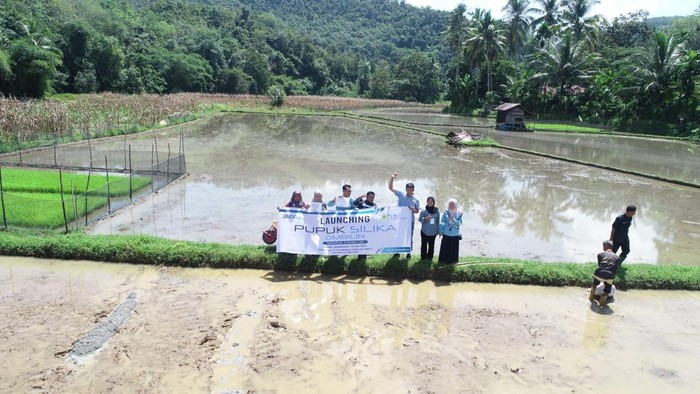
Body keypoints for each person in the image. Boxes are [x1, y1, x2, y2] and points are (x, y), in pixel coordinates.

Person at [388, 173, 420, 259]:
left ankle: (408, 252)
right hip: (400, 220)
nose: (409, 191)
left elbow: (417, 211)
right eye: (408, 189)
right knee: (399, 235)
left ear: (413, 190)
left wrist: (414, 210)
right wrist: (392, 178)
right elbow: (390, 188)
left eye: (411, 189)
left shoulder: (416, 200)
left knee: (409, 236)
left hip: (410, 221)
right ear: (406, 189)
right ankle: (397, 252)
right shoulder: (401, 194)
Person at [589, 240, 621, 307]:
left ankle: (591, 299)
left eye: (603, 246)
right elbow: (615, 270)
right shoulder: (617, 258)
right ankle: (602, 304)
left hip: (600, 273)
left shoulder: (600, 254)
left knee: (595, 283)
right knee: (607, 290)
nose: (603, 248)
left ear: (606, 246)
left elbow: (600, 266)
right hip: (610, 275)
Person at [354, 191, 377, 262]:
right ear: (367, 197)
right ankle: (360, 258)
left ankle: (363, 257)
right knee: (361, 243)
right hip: (360, 227)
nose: (372, 199)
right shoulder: (361, 203)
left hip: (369, 228)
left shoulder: (374, 205)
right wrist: (360, 197)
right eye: (370, 197)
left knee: (367, 242)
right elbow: (354, 204)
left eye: (373, 197)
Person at [438, 199, 463, 264]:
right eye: (450, 204)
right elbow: (442, 222)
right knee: (445, 248)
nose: (451, 205)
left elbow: (459, 223)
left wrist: (453, 219)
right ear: (448, 204)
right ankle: (443, 260)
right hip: (446, 233)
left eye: (453, 204)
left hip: (455, 234)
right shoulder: (446, 212)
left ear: (456, 205)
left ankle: (453, 261)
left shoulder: (459, 213)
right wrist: (440, 231)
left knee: (453, 249)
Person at [418, 196, 440, 260]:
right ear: (427, 202)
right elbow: (420, 220)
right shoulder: (423, 211)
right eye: (429, 201)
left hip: (433, 232)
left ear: (434, 202)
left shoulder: (437, 212)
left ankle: (430, 257)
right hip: (424, 231)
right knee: (424, 245)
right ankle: (423, 257)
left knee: (431, 245)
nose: (430, 202)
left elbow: (438, 221)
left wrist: (438, 230)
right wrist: (425, 218)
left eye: (431, 201)